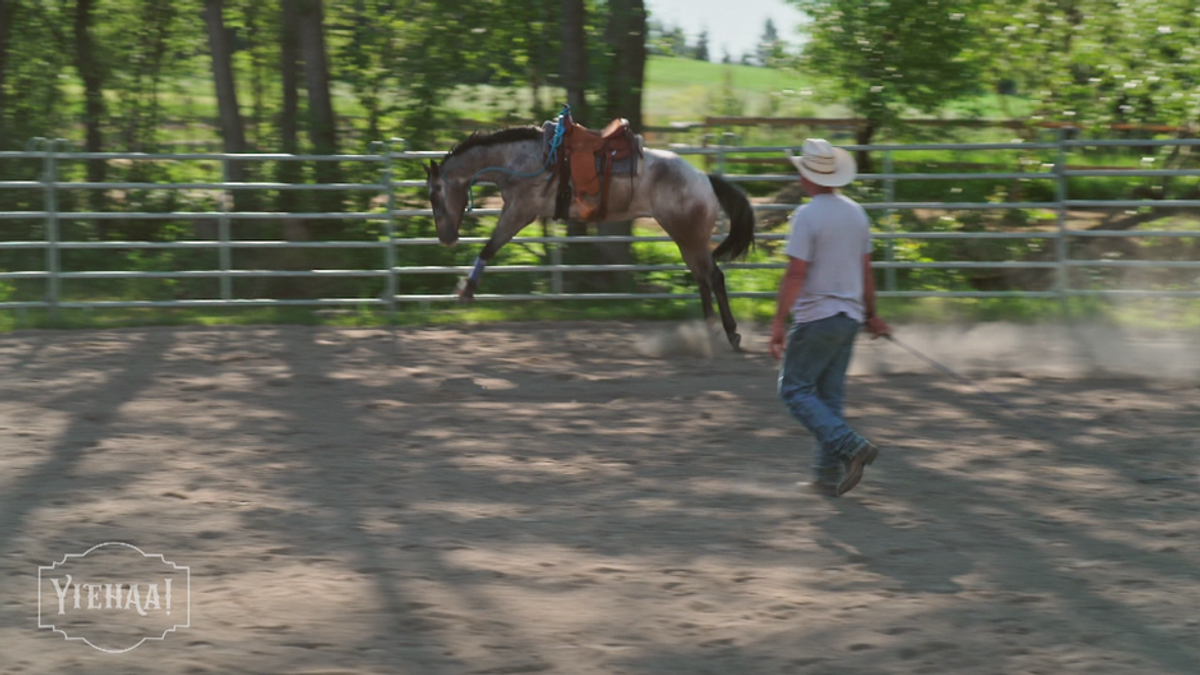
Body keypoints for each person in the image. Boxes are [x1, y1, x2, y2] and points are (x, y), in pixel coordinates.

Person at [768, 138, 892, 497]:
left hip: (817, 318)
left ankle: (849, 446)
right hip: (848, 318)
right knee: (829, 398)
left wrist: (778, 323)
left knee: (793, 389)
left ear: (807, 176)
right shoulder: (856, 213)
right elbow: (866, 273)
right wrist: (872, 314)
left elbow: (795, 274)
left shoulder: (807, 216)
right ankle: (824, 477)